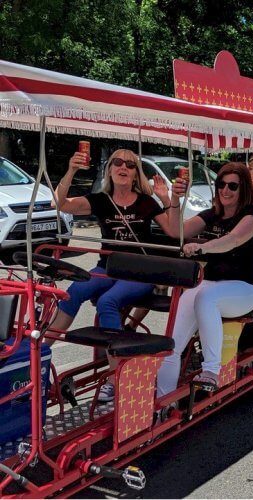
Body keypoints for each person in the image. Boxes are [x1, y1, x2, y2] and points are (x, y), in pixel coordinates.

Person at [48, 149, 172, 402]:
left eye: (130, 164)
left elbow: (172, 231)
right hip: (108, 267)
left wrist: (169, 200)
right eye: (117, 162)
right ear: (109, 170)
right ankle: (37, 350)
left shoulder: (146, 202)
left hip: (140, 271)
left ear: (137, 173)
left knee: (108, 301)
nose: (123, 167)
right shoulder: (101, 200)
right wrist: (72, 170)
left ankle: (116, 377)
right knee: (73, 292)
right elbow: (59, 204)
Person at [156, 162, 253, 395]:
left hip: (243, 289)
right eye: (221, 184)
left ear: (243, 188)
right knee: (170, 346)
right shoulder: (212, 214)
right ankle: (163, 402)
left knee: (205, 296)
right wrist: (174, 199)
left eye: (232, 186)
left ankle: (211, 370)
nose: (225, 190)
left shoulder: (251, 217)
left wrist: (203, 248)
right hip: (208, 284)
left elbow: (231, 240)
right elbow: (176, 231)